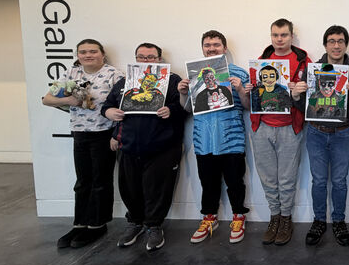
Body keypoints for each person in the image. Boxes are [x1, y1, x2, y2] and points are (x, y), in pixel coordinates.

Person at [102, 43, 186, 251]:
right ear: (135, 59)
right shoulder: (124, 83)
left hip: (162, 146)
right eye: (142, 57)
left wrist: (171, 110)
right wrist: (110, 113)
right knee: (129, 188)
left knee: (158, 189)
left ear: (159, 59)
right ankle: (135, 223)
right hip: (129, 145)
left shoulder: (172, 80)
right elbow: (107, 106)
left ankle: (154, 226)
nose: (146, 61)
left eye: (151, 57)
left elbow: (185, 107)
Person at [42, 39, 123, 249]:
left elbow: (124, 105)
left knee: (101, 180)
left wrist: (117, 135)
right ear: (77, 55)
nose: (88, 55)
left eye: (93, 51)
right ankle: (80, 223)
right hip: (79, 132)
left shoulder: (114, 75)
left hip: (104, 133)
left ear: (102, 54)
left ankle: (98, 224)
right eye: (83, 52)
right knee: (83, 180)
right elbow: (47, 99)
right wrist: (69, 101)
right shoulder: (72, 74)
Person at [178, 30, 251, 245]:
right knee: (207, 182)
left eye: (216, 45)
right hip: (203, 139)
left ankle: (239, 216)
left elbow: (248, 107)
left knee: (235, 182)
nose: (212, 48)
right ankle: (209, 218)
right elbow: (187, 110)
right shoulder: (194, 75)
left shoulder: (238, 73)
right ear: (202, 48)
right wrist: (183, 92)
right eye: (208, 45)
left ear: (224, 48)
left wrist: (240, 90)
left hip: (232, 138)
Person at [296, 25, 349, 247]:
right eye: (332, 41)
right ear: (325, 44)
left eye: (341, 41)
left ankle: (338, 221)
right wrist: (296, 95)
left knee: (339, 181)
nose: (336, 45)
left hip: (342, 134)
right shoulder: (313, 70)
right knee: (318, 180)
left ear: (346, 44)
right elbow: (302, 107)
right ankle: (319, 221)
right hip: (316, 132)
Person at [245, 18, 310, 246]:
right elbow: (252, 98)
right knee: (268, 177)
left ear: (292, 36)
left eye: (283, 35)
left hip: (290, 128)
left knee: (287, 177)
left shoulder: (303, 61)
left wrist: (300, 90)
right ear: (271, 37)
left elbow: (314, 94)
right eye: (275, 35)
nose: (279, 39)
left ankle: (286, 218)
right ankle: (274, 216)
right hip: (262, 126)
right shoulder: (261, 62)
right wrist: (249, 90)